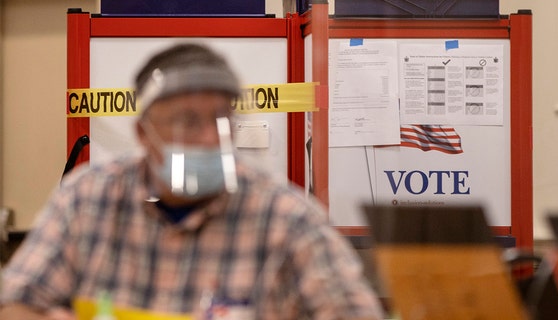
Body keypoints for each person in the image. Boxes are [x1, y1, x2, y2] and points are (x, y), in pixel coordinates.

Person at [0, 43, 383, 320]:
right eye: (186, 122)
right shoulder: (87, 201)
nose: (209, 138)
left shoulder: (286, 218)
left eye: (221, 120)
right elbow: (14, 303)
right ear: (143, 134)